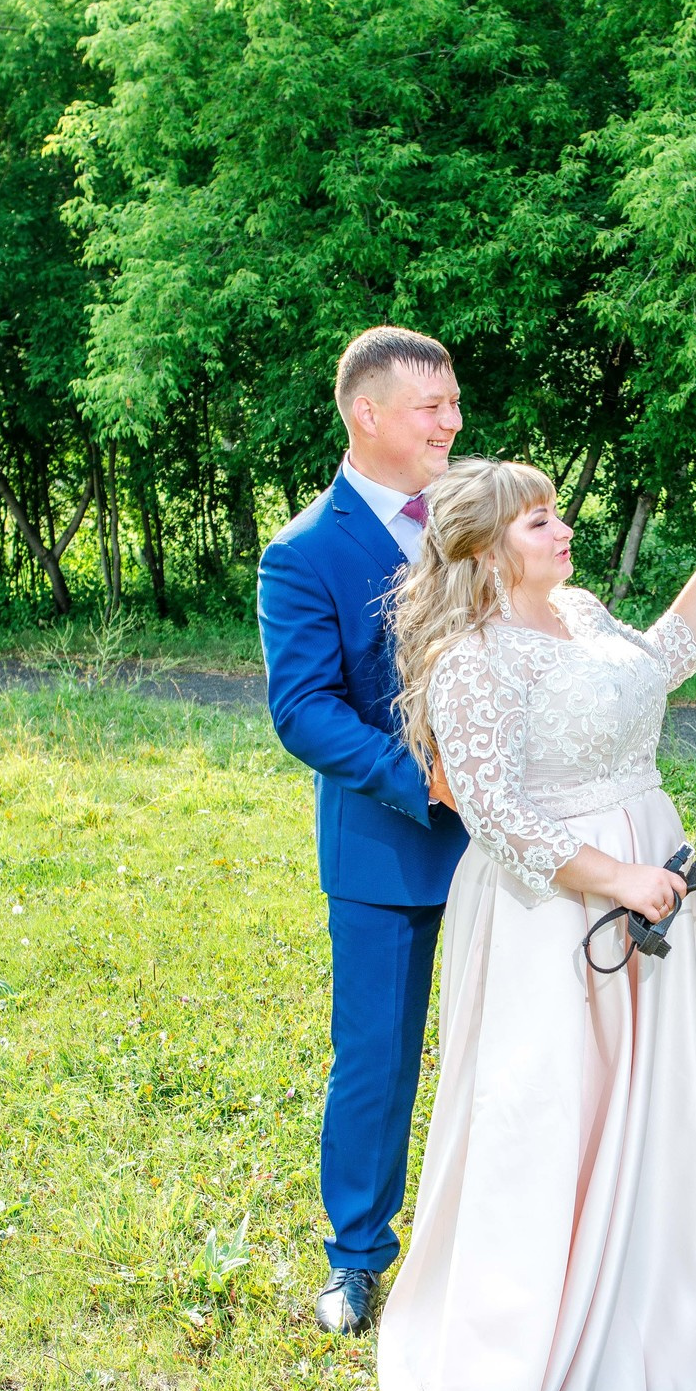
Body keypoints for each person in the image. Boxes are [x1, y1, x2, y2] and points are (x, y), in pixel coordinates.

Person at [375, 456, 696, 1391]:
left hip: (642, 867)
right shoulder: (472, 660)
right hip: (551, 903)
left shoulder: (580, 607)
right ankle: (548, 1315)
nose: (560, 531)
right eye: (535, 523)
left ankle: (652, 1282)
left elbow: (660, 659)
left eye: (555, 513)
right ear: (484, 552)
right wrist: (615, 876)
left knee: (647, 1092)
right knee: (552, 1098)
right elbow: (493, 811)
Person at [258, 327, 473, 1335]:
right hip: (385, 854)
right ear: (368, 415)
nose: (451, 423)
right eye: (431, 407)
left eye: (453, 404)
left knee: (506, 1045)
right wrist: (421, 783)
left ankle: (499, 1235)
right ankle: (356, 1256)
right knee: (376, 1060)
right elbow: (303, 708)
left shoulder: (476, 520)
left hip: (505, 852)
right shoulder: (301, 552)